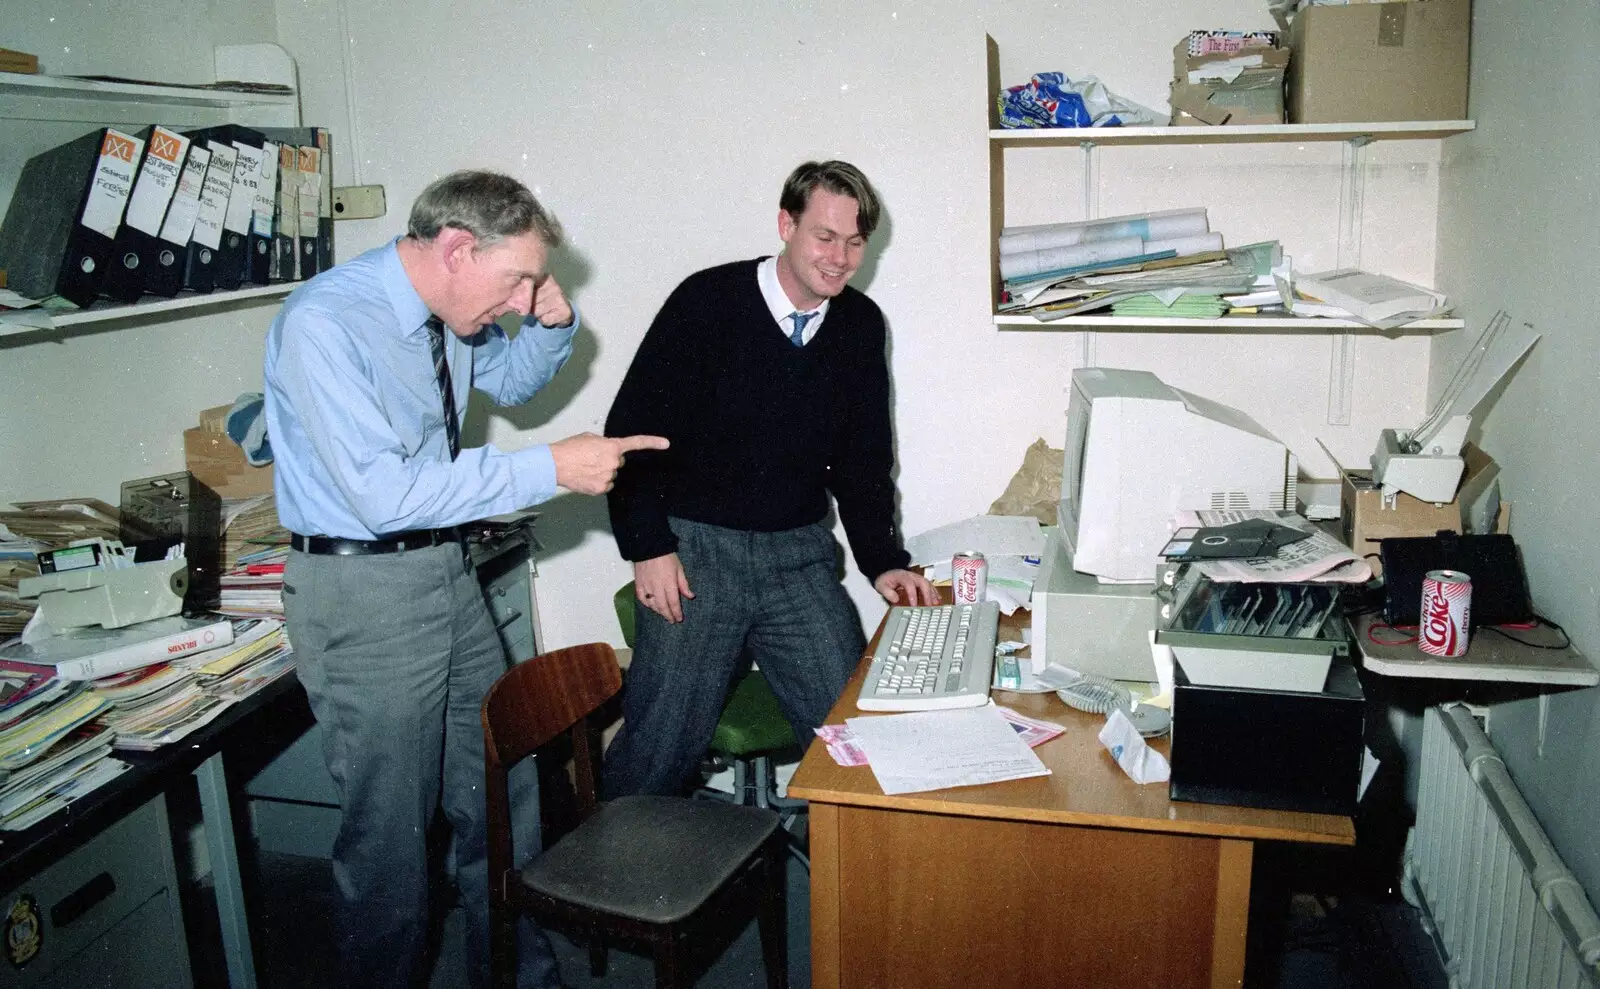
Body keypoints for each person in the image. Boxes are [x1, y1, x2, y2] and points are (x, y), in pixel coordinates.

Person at [263, 169, 665, 989]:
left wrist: (552, 325)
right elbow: (382, 496)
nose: (520, 297)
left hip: (443, 575)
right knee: (392, 847)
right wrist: (551, 465)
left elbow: (512, 383)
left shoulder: (446, 313)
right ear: (455, 248)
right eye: (516, 277)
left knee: (503, 795)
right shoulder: (326, 324)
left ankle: (522, 977)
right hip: (365, 594)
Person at [602, 159, 936, 799]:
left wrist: (883, 559)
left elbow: (864, 458)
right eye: (824, 236)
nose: (840, 258)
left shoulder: (860, 325)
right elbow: (633, 436)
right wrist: (648, 548)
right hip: (696, 557)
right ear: (786, 225)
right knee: (656, 753)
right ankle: (600, 890)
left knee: (856, 746)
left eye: (855, 242)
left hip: (798, 559)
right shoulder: (707, 301)